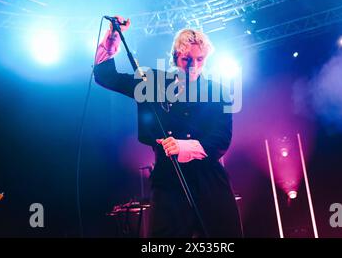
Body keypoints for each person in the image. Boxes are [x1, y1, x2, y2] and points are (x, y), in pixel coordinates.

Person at [93, 16, 242, 238]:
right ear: (175, 56)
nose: (194, 65)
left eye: (200, 59)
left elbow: (221, 139)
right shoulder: (153, 82)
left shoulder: (217, 90)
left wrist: (184, 147)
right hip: (168, 182)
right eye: (186, 59)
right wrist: (113, 37)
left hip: (209, 181)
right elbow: (107, 76)